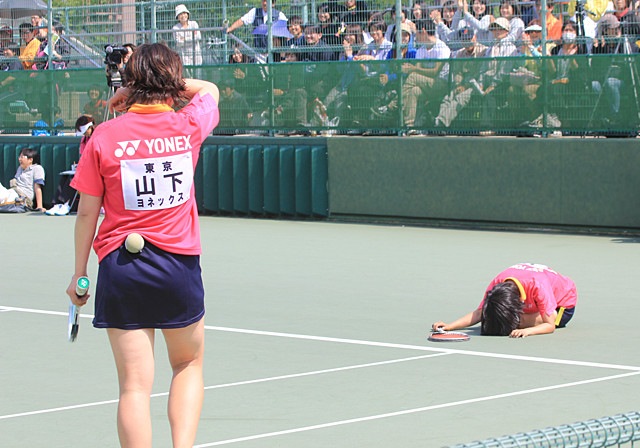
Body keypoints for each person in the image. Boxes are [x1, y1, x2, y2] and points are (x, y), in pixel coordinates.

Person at [66, 42, 219, 448]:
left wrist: (80, 274)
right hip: (178, 266)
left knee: (134, 387)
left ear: (129, 82)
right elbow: (210, 92)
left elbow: (86, 215)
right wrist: (164, 83)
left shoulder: (104, 136)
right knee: (187, 363)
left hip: (121, 267)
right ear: (172, 81)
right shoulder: (188, 126)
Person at [432, 263, 577, 337]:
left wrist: (528, 331)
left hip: (563, 304)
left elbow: (549, 325)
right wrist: (450, 326)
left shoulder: (538, 285)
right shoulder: (498, 282)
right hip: (535, 302)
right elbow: (479, 313)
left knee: (518, 322)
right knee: (495, 315)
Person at [401, 17, 451, 130]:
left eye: (416, 33)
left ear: (423, 31)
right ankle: (409, 125)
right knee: (414, 91)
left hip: (441, 84)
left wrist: (412, 69)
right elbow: (417, 69)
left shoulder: (442, 48)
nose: (415, 37)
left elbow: (434, 72)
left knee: (413, 76)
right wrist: (411, 69)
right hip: (426, 85)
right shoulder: (421, 50)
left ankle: (394, 105)